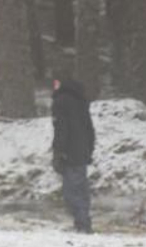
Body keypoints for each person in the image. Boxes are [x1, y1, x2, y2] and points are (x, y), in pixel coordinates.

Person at [51, 75, 95, 234]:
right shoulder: (81, 101)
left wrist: (58, 151)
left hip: (69, 151)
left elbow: (61, 129)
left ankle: (82, 223)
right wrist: (90, 149)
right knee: (81, 188)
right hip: (83, 150)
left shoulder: (60, 102)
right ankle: (84, 220)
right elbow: (89, 128)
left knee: (71, 191)